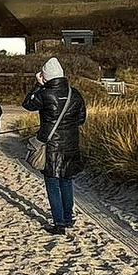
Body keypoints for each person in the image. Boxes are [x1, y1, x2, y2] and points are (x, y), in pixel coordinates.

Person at [23, 58, 87, 232]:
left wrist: (37, 85)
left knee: (52, 184)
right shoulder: (75, 94)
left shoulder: (45, 94)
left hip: (51, 146)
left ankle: (59, 223)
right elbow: (81, 120)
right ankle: (68, 218)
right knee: (66, 181)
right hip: (71, 144)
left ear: (46, 76)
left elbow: (27, 104)